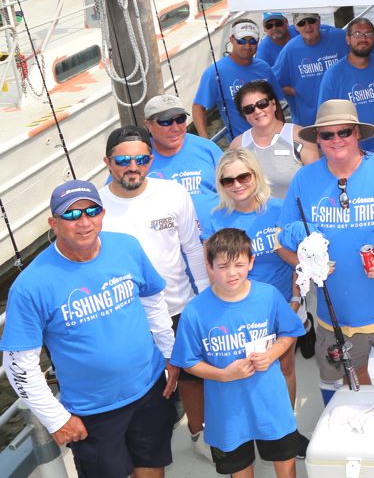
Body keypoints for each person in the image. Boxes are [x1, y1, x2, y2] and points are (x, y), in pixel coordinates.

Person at [2, 180, 179, 478]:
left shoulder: (127, 246)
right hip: (93, 411)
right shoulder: (29, 286)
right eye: (71, 215)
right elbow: (19, 365)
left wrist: (170, 353)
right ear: (54, 223)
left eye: (91, 211)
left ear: (102, 213)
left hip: (149, 389)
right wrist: (56, 419)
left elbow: (153, 302)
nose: (84, 222)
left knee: (152, 465)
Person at [277, 100, 374, 399]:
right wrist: (305, 266)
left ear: (357, 133)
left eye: (344, 132)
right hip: (336, 315)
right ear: (317, 139)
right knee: (355, 385)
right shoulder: (304, 179)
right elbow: (282, 237)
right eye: (327, 134)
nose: (336, 140)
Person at [99, 125, 211, 460]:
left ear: (151, 160)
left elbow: (193, 248)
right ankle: (147, 448)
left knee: (192, 377)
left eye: (141, 159)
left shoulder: (173, 193)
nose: (133, 167)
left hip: (179, 305)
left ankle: (198, 433)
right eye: (123, 160)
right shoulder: (96, 207)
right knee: (144, 387)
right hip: (126, 317)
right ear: (107, 162)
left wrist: (205, 297)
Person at [173, 228, 305, 478]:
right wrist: (223, 375)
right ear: (209, 266)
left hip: (271, 404)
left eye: (239, 264)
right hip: (227, 413)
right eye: (223, 266)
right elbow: (188, 361)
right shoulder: (195, 311)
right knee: (239, 468)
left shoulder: (268, 296)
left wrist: (272, 354)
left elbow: (290, 331)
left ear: (251, 262)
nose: (232, 273)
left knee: (285, 462)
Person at [202, 149, 300, 403]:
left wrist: (295, 300)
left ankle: (286, 420)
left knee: (285, 367)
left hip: (282, 304)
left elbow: (297, 260)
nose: (237, 185)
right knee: (248, 373)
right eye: (228, 180)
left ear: (256, 175)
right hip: (240, 312)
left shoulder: (279, 209)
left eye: (243, 177)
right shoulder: (216, 220)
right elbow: (213, 272)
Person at [194, 19, 283, 142]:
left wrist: (283, 131)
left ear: (258, 41)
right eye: (241, 41)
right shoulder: (214, 72)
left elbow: (276, 102)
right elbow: (198, 107)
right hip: (242, 145)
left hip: (274, 138)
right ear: (231, 39)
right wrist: (205, 141)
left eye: (252, 41)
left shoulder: (264, 67)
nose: (247, 46)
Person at [318, 17, 374, 157]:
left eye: (368, 34)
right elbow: (325, 118)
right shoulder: (333, 75)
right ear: (348, 39)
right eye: (357, 34)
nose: (363, 38)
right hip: (351, 152)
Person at [232, 80, 319, 196]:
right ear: (244, 115)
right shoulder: (237, 145)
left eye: (262, 103)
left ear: (273, 104)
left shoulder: (300, 136)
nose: (257, 111)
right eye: (249, 109)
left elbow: (317, 181)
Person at [144, 93, 222, 216]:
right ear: (148, 125)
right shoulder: (136, 158)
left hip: (216, 227)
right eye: (166, 122)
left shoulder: (208, 148)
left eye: (180, 119)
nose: (175, 128)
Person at [272, 12, 349, 127]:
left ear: (319, 21)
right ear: (296, 27)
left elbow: (370, 44)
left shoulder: (339, 38)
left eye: (311, 21)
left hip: (342, 115)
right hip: (308, 121)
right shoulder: (290, 50)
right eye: (301, 23)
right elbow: (272, 83)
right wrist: (294, 91)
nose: (308, 27)